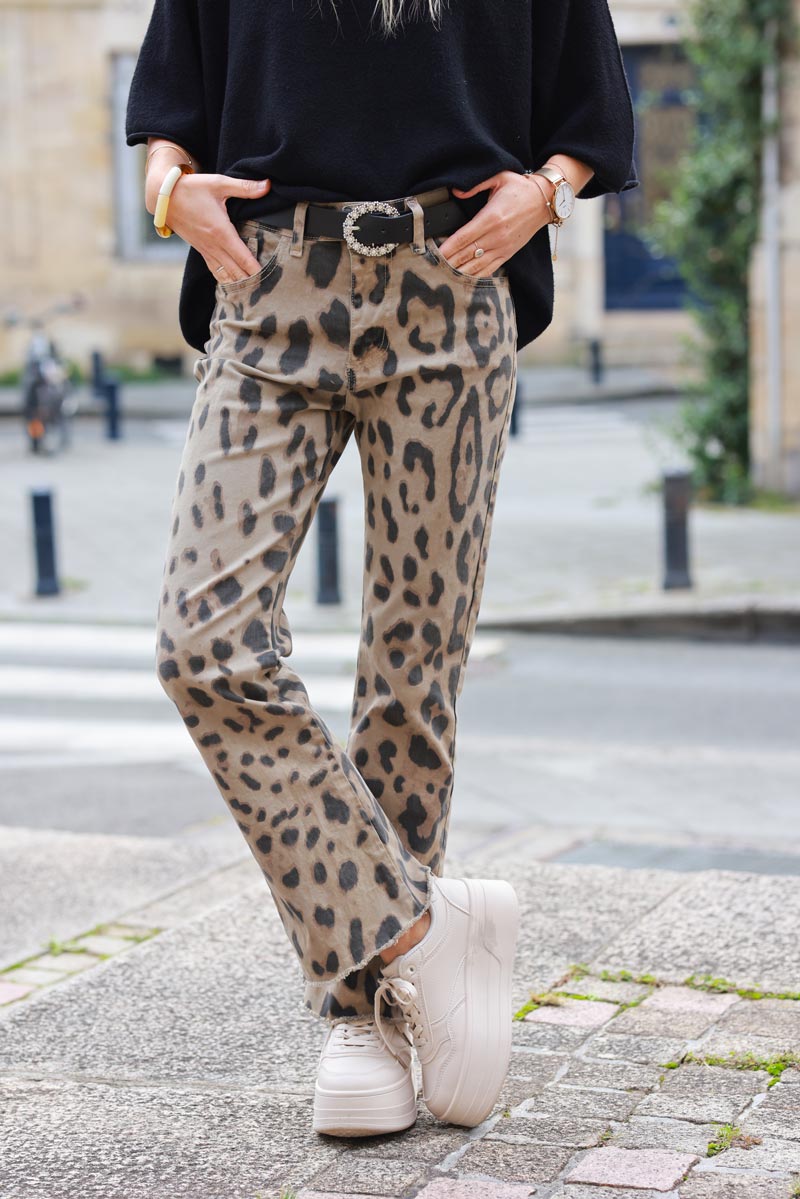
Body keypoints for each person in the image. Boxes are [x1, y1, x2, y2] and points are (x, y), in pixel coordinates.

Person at [125, 0, 638, 1139]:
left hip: (451, 290)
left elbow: (592, 115)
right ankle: (425, 934)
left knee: (412, 675)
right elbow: (170, 107)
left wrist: (544, 194)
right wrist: (169, 192)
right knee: (203, 643)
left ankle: (366, 1017)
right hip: (265, 291)